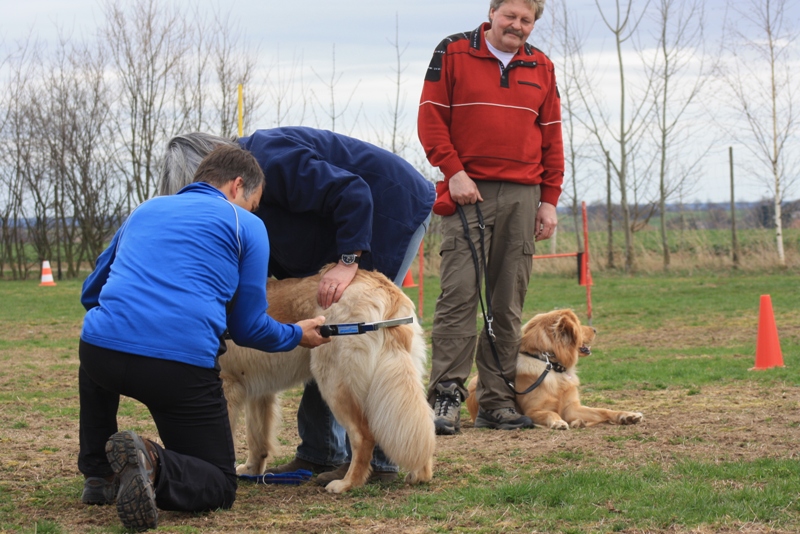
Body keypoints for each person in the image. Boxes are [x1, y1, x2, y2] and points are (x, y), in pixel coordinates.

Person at [159, 127, 435, 484]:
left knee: (363, 341)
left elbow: (352, 192)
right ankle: (320, 453)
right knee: (326, 347)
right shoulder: (242, 194)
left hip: (388, 211)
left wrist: (348, 260)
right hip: (338, 233)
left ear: (227, 178)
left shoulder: (272, 158)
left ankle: (379, 462)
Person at [78, 145, 329, 531]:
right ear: (237, 185)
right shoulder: (246, 226)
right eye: (253, 203)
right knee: (219, 482)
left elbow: (91, 293)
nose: (253, 211)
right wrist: (297, 333)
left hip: (102, 354)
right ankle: (150, 461)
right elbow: (248, 328)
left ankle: (98, 475)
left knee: (98, 343)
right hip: (178, 368)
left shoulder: (145, 209)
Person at [418, 0, 564, 435]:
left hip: (524, 195)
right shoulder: (453, 51)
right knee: (458, 296)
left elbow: (552, 136)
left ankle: (496, 400)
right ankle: (445, 397)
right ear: (493, 12)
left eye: (526, 20)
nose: (517, 25)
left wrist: (549, 199)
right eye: (510, 16)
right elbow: (431, 118)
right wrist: (454, 172)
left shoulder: (542, 67)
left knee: (507, 305)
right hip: (468, 192)